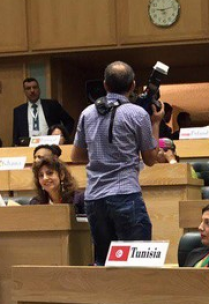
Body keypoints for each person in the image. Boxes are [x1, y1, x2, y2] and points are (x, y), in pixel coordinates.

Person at [71, 61, 165, 265]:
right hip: (125, 195)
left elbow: (76, 156)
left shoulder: (87, 113)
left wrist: (100, 155)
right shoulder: (138, 114)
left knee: (104, 263)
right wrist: (156, 122)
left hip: (94, 198)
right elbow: (150, 159)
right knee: (137, 263)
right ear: (133, 85)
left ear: (105, 85)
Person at [12, 77, 75, 146]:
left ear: (39, 89)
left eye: (35, 87)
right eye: (28, 88)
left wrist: (63, 136)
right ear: (24, 92)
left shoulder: (52, 105)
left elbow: (69, 122)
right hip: (28, 146)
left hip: (51, 145)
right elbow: (16, 135)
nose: (32, 90)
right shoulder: (19, 111)